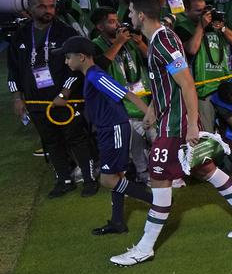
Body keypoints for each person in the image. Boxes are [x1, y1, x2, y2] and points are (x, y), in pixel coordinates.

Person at [109, 0, 232, 267]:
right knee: (206, 170)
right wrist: (153, 110)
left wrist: (192, 124)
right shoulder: (158, 39)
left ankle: (144, 248)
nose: (128, 16)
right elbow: (164, 82)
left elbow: (187, 84)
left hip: (176, 127)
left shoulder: (165, 40)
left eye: (131, 11)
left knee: (159, 182)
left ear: (141, 15)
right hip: (171, 120)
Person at [52, 37, 155, 235]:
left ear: (81, 57)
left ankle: (157, 202)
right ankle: (118, 222)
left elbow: (126, 94)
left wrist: (148, 114)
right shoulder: (90, 74)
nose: (66, 61)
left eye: (67, 57)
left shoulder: (94, 75)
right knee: (117, 176)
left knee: (107, 180)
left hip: (113, 129)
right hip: (109, 129)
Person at [7, 0, 98, 198]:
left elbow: (77, 68)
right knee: (51, 141)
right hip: (35, 100)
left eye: (51, 6)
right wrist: (17, 97)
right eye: (42, 6)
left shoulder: (65, 32)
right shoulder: (20, 36)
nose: (48, 10)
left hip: (66, 100)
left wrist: (65, 93)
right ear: (30, 9)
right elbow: (13, 70)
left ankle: (89, 180)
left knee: (77, 139)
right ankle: (64, 181)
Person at [90, 6, 152, 183]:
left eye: (117, 20)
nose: (117, 24)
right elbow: (99, 66)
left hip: (144, 100)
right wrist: (118, 43)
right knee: (135, 146)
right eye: (111, 22)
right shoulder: (95, 44)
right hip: (122, 105)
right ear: (100, 27)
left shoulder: (130, 40)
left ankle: (161, 171)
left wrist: (140, 43)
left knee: (157, 138)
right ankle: (142, 173)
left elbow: (152, 59)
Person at [179, 0, 232, 134]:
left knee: (231, 129)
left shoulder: (215, 25)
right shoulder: (183, 27)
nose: (204, 14)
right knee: (207, 132)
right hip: (203, 89)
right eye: (198, 11)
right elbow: (192, 49)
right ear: (186, 11)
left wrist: (222, 27)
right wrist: (201, 26)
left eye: (204, 9)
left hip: (224, 84)